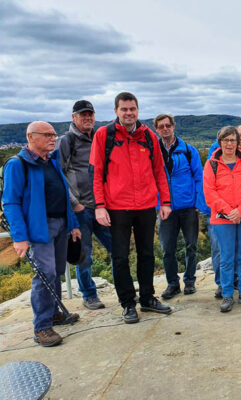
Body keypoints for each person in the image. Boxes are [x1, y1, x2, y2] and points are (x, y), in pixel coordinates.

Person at [90, 92, 172, 324]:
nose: (129, 113)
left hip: (146, 205)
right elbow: (95, 173)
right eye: (124, 109)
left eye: (132, 109)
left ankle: (147, 298)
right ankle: (128, 303)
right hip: (117, 207)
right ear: (116, 111)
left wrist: (165, 201)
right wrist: (99, 206)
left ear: (138, 110)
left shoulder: (148, 136)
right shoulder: (104, 135)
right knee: (120, 257)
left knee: (147, 254)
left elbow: (159, 171)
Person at [2, 121, 81, 346]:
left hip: (61, 225)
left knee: (55, 271)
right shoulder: (17, 165)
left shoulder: (51, 161)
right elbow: (10, 202)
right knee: (45, 274)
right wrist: (19, 237)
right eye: (46, 135)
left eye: (53, 134)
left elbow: (64, 195)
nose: (52, 138)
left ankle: (54, 312)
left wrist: (73, 224)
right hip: (39, 228)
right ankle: (42, 327)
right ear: (30, 137)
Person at [58, 100, 111, 310]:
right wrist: (74, 204)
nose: (87, 118)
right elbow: (59, 175)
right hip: (81, 209)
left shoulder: (100, 137)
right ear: (74, 118)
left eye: (90, 114)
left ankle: (123, 288)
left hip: (102, 206)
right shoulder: (66, 141)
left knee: (117, 248)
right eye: (83, 115)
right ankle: (89, 295)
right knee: (84, 255)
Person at [204, 126, 241, 312]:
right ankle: (227, 294)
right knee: (226, 258)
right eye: (225, 140)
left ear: (238, 143)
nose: (229, 144)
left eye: (232, 140)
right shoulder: (211, 164)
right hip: (222, 218)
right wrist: (229, 211)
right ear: (219, 142)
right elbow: (209, 193)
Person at [154, 114, 207, 299]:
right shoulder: (154, 152)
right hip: (165, 208)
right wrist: (158, 205)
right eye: (161, 126)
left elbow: (199, 177)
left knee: (191, 245)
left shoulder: (188, 151)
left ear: (173, 126)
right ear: (157, 129)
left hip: (188, 206)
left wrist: (198, 203)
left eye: (168, 125)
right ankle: (172, 284)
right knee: (167, 248)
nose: (165, 129)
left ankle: (190, 281)